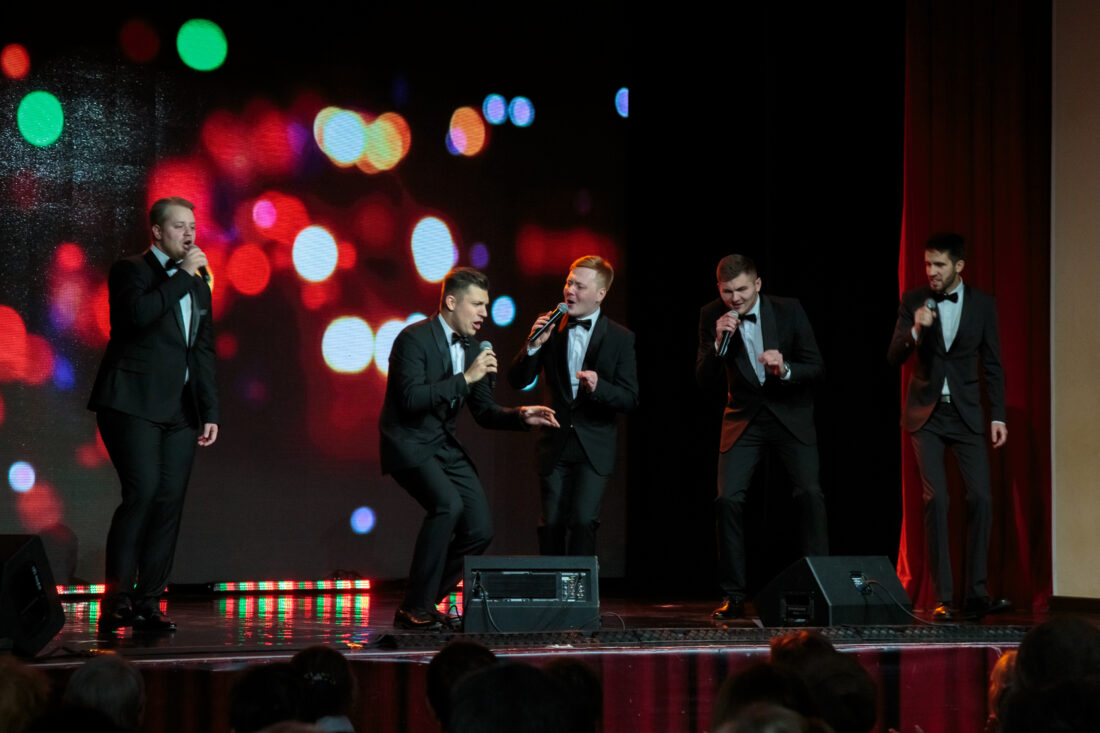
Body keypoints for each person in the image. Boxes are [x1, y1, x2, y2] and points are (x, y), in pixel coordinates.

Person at [379, 267, 559, 630]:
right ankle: (415, 606)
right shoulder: (413, 339)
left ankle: (422, 603)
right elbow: (411, 399)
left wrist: (521, 415)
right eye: (477, 304)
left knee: (479, 528)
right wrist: (467, 377)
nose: (484, 313)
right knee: (447, 505)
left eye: (486, 306)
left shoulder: (475, 348)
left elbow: (484, 412)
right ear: (451, 302)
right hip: (409, 441)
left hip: (443, 445)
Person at [88, 196, 219, 633]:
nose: (189, 233)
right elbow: (135, 318)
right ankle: (116, 601)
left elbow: (202, 349)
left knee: (168, 502)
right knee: (142, 493)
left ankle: (148, 602)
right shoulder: (131, 270)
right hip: (132, 403)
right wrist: (182, 277)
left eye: (192, 226)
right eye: (179, 226)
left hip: (180, 410)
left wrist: (210, 410)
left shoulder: (198, 283)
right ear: (158, 232)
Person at [696, 254, 828, 620]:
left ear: (757, 284)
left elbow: (816, 367)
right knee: (727, 499)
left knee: (810, 494)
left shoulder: (789, 310)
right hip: (743, 417)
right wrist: (719, 342)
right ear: (719, 289)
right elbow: (703, 379)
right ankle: (733, 594)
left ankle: (820, 589)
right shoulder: (712, 315)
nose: (735, 298)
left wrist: (785, 369)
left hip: (790, 414)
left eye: (741, 289)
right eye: (727, 291)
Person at [887, 232, 1010, 622]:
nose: (932, 271)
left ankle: (976, 594)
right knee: (936, 499)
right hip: (926, 415)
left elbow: (993, 364)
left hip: (966, 414)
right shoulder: (913, 300)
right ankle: (944, 598)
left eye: (939, 264)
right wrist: (915, 330)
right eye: (928, 264)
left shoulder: (983, 305)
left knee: (981, 498)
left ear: (959, 266)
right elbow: (894, 356)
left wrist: (998, 415)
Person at [508, 256, 638, 556]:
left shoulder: (620, 338)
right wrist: (533, 346)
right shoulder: (550, 326)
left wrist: (600, 387)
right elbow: (517, 379)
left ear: (600, 294)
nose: (570, 291)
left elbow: (630, 398)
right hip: (554, 441)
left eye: (580, 286)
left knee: (583, 521)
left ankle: (577, 587)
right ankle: (550, 586)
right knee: (551, 523)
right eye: (569, 283)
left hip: (594, 446)